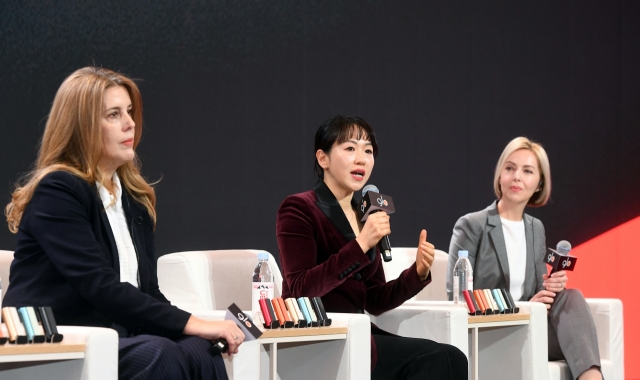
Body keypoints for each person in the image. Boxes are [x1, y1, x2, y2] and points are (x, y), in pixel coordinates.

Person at [3, 67, 244, 380]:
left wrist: (197, 330)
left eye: (129, 111)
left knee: (200, 349)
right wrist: (194, 322)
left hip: (120, 334)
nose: (130, 123)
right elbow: (99, 285)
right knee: (161, 354)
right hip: (57, 340)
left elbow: (148, 292)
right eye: (113, 114)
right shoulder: (59, 190)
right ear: (83, 127)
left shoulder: (133, 197)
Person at [276, 115, 467, 380]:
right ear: (323, 159)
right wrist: (361, 244)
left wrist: (418, 273)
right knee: (435, 359)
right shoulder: (299, 208)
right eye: (350, 148)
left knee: (453, 356)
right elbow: (300, 289)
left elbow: (375, 300)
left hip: (361, 334)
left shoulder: (366, 211)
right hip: (320, 336)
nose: (362, 159)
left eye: (368, 151)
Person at [446, 137, 602, 380]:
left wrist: (548, 291)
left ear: (539, 183)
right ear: (500, 176)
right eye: (510, 168)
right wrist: (524, 306)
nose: (517, 176)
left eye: (527, 171)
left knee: (570, 296)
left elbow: (536, 292)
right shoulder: (471, 225)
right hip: (488, 331)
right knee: (580, 339)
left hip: (528, 326)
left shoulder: (535, 228)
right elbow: (455, 296)